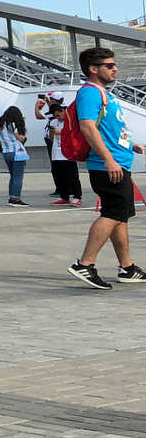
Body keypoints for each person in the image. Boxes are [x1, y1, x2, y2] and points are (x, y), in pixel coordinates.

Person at [66, 47, 146, 289]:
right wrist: (109, 159)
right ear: (93, 69)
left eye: (114, 64)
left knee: (119, 217)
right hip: (107, 166)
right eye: (109, 65)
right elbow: (88, 127)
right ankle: (85, 264)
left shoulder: (104, 94)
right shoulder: (90, 93)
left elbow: (107, 130)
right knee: (112, 214)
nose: (115, 68)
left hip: (117, 163)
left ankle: (127, 267)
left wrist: (130, 145)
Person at [46, 93, 83, 206]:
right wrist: (54, 131)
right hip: (56, 153)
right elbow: (51, 137)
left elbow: (73, 133)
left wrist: (60, 132)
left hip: (68, 154)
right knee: (59, 176)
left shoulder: (71, 121)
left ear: (63, 111)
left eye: (58, 114)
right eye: (55, 115)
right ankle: (64, 196)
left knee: (72, 176)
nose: (57, 117)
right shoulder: (53, 122)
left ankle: (77, 197)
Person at [0, 106, 29, 206]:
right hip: (17, 152)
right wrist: (23, 124)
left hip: (6, 152)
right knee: (18, 176)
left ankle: (12, 197)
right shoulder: (14, 124)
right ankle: (15, 199)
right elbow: (21, 138)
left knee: (13, 176)